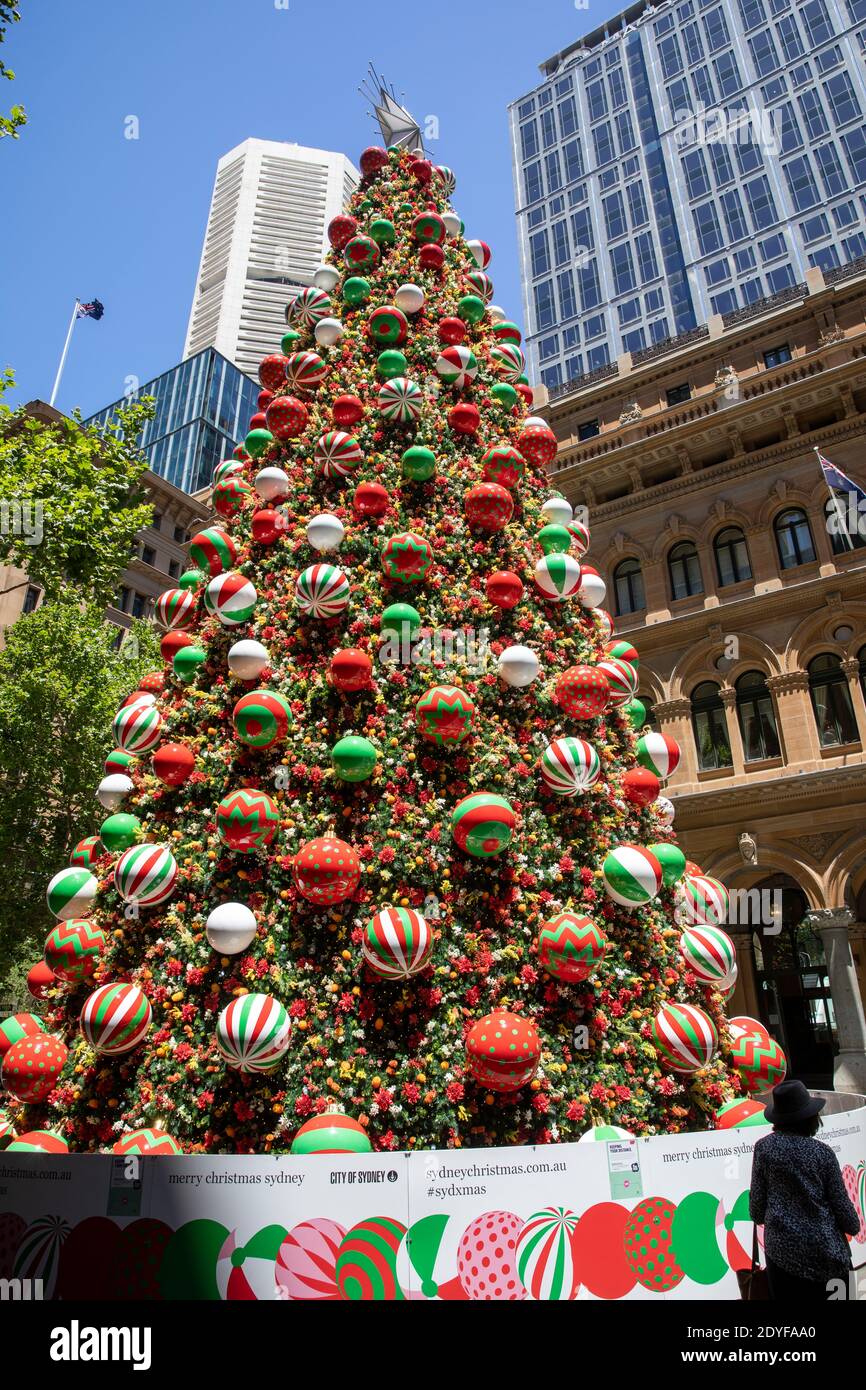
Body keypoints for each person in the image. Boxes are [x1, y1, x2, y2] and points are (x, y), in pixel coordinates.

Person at [749, 1078, 861, 1300]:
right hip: (827, 1256)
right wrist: (853, 1226)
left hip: (781, 1258)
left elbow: (757, 1209)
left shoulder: (763, 1148)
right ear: (811, 1118)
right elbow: (842, 1207)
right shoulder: (822, 1153)